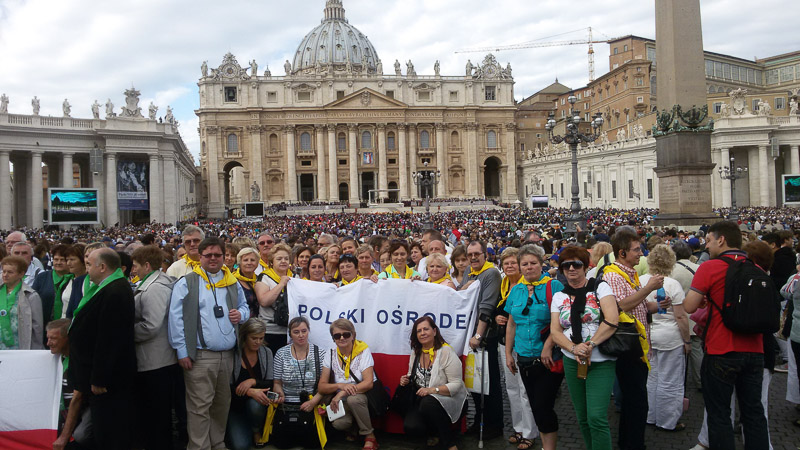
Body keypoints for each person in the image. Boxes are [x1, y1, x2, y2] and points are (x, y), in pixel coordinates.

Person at [683, 221, 770, 449]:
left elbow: (689, 306)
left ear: (721, 240)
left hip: (721, 349)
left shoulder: (710, 267)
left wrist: (704, 298)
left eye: (709, 240)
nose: (706, 246)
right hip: (755, 349)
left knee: (719, 413)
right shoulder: (756, 268)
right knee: (753, 412)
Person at [168, 237, 250, 450]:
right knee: (199, 407)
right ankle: (199, 447)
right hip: (201, 356)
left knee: (221, 405)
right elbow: (176, 319)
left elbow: (245, 307)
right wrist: (182, 351)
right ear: (200, 256)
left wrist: (240, 315)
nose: (213, 258)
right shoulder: (187, 282)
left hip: (228, 355)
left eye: (217, 255)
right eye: (208, 255)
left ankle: (217, 444)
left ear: (224, 257)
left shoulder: (231, 281)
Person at [549, 245, 619, 450]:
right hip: (572, 360)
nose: (571, 268)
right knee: (582, 417)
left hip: (600, 360)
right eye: (566, 265)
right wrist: (574, 349)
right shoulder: (559, 296)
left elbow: (612, 320)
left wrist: (590, 344)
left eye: (577, 264)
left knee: (596, 417)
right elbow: (555, 331)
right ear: (561, 269)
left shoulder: (600, 287)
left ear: (585, 266)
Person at [68, 248, 136, 449]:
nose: (87, 269)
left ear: (103, 267)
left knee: (109, 431)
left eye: (89, 264)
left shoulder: (115, 291)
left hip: (108, 381)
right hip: (98, 375)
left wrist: (99, 378)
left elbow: (109, 339)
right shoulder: (107, 287)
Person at [605, 228, 663, 450]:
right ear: (622, 253)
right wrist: (648, 288)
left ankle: (629, 443)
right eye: (636, 250)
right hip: (628, 346)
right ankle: (633, 445)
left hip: (637, 343)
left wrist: (656, 306)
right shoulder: (613, 276)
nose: (641, 253)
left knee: (634, 401)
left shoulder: (629, 274)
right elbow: (621, 306)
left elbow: (637, 305)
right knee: (636, 402)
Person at [504, 244, 564, 450]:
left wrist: (548, 344)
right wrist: (508, 353)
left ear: (541, 264)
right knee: (536, 406)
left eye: (533, 263)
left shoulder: (554, 287)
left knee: (542, 406)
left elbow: (562, 322)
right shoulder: (516, 290)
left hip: (548, 358)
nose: (529, 267)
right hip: (524, 357)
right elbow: (511, 324)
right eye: (525, 264)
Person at [131, 245, 179, 450]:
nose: (133, 269)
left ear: (147, 265)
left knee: (158, 414)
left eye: (135, 265)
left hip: (156, 360)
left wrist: (125, 333)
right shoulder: (152, 284)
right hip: (154, 358)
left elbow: (151, 325)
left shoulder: (155, 288)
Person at [640, 244, 689, 432]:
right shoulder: (672, 284)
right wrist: (687, 340)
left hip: (648, 335)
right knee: (670, 380)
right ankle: (667, 420)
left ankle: (650, 415)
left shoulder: (641, 281)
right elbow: (680, 316)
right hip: (670, 337)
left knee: (652, 378)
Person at [400, 316, 467, 450]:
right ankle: (433, 432)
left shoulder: (446, 351)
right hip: (423, 399)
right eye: (419, 331)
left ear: (434, 331)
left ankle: (449, 443)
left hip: (449, 397)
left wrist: (432, 390)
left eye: (426, 329)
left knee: (428, 403)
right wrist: (405, 379)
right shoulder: (416, 352)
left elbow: (456, 384)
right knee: (411, 427)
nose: (423, 333)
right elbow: (412, 373)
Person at [495, 247, 538, 449]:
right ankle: (518, 427)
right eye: (506, 263)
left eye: (513, 262)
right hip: (505, 343)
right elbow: (499, 309)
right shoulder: (503, 285)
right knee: (512, 387)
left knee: (525, 388)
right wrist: (496, 316)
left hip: (525, 343)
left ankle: (530, 431)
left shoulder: (526, 286)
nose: (510, 266)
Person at [461, 240, 503, 439]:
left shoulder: (491, 273)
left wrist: (478, 335)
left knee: (490, 383)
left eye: (477, 254)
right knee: (475, 383)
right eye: (470, 255)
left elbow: (486, 307)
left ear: (485, 254)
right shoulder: (468, 272)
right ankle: (479, 420)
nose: (473, 258)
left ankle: (494, 425)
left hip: (484, 337)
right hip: (470, 336)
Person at [318, 318, 379, 450]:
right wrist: (340, 386)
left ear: (353, 335)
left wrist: (342, 393)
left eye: (346, 334)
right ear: (333, 338)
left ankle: (370, 436)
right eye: (337, 336)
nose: (342, 338)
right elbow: (321, 386)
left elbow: (368, 383)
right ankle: (354, 427)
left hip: (362, 397)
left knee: (353, 399)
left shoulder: (363, 351)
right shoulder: (330, 353)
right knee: (339, 424)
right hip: (343, 402)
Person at [271, 317, 326, 449]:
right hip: (287, 405)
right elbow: (277, 382)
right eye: (296, 332)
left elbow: (325, 385)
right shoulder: (281, 353)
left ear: (308, 331)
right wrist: (279, 392)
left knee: (313, 445)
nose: (301, 335)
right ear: (290, 334)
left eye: (304, 331)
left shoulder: (320, 353)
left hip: (312, 402)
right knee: (282, 445)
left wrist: (313, 402)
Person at [226, 318, 274, 450]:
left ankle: (256, 430)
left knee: (254, 406)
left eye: (261, 338)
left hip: (258, 406)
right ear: (245, 336)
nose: (258, 342)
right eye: (254, 338)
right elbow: (226, 386)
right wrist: (248, 391)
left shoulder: (266, 353)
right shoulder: (234, 354)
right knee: (241, 446)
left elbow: (271, 382)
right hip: (236, 406)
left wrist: (253, 381)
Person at [49, 318, 93, 450]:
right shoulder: (56, 359)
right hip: (64, 413)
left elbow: (77, 399)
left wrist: (64, 436)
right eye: (48, 338)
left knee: (81, 435)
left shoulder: (80, 361)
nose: (48, 343)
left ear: (67, 338)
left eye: (53, 338)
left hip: (84, 409)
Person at [670, 240, 702, 391]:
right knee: (696, 350)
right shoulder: (699, 268)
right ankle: (700, 380)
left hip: (677, 315)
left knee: (677, 352)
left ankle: (677, 382)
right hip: (695, 315)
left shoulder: (671, 271)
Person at [0, 255, 44, 349]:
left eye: (10, 272)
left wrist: (34, 350)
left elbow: (37, 327)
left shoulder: (31, 296)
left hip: (19, 346)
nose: (5, 275)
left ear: (21, 274)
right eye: (4, 271)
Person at [257, 243, 292, 355]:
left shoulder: (294, 277)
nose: (283, 261)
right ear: (272, 262)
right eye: (279, 259)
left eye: (286, 258)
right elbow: (264, 301)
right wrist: (281, 284)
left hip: (290, 332)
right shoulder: (264, 277)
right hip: (270, 331)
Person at [32, 244, 74, 324]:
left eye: (62, 260)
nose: (58, 263)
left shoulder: (74, 279)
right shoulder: (42, 277)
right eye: (56, 259)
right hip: (44, 323)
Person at [233, 247, 262, 321]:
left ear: (257, 263)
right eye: (245, 260)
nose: (249, 263)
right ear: (240, 262)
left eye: (252, 260)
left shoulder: (261, 279)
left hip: (258, 323)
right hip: (241, 323)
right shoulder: (233, 281)